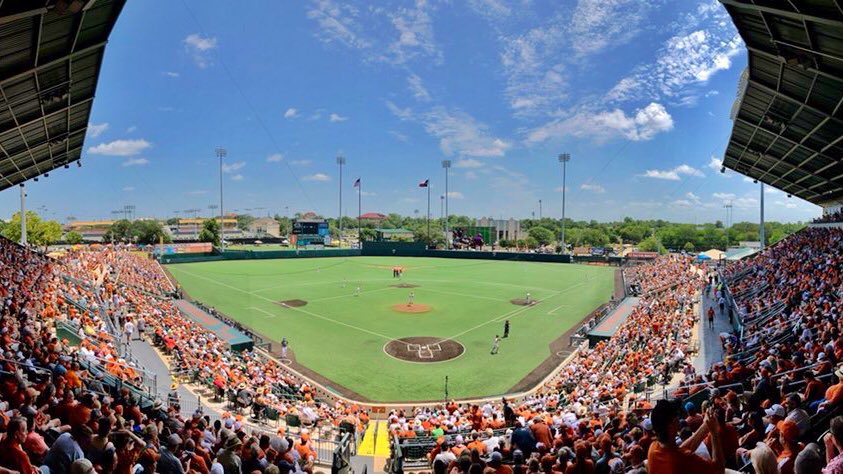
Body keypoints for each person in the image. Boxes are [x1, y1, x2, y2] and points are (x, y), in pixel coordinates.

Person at [647, 399, 725, 473]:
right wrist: (714, 433)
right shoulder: (684, 460)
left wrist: (706, 426)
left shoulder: (653, 449)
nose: (678, 418)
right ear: (671, 426)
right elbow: (719, 470)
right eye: (676, 415)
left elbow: (681, 450)